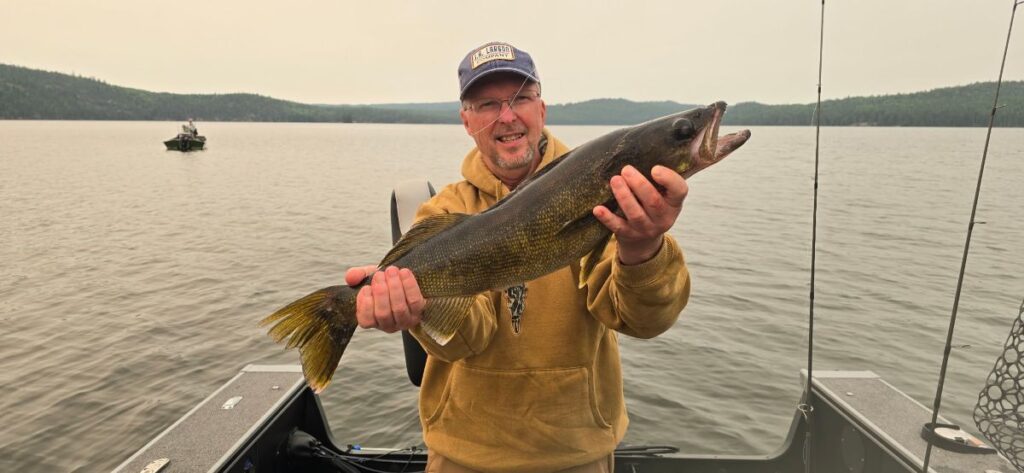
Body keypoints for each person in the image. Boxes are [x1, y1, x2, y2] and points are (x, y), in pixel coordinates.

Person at [345, 42, 691, 473]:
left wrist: (643, 248)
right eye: (487, 104)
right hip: (463, 455)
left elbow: (643, 321)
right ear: (466, 121)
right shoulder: (443, 212)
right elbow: (468, 339)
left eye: (520, 99)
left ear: (542, 109)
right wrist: (417, 306)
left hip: (578, 452)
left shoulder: (608, 192)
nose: (507, 116)